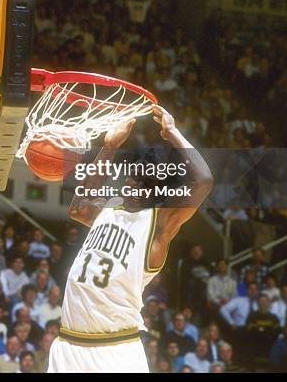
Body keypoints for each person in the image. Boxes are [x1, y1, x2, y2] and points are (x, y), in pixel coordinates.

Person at [48, 105, 213, 373]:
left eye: (145, 185)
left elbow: (204, 180)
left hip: (116, 349)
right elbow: (78, 207)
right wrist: (110, 146)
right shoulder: (110, 207)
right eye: (134, 180)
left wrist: (172, 132)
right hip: (68, 343)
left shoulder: (158, 225)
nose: (135, 188)